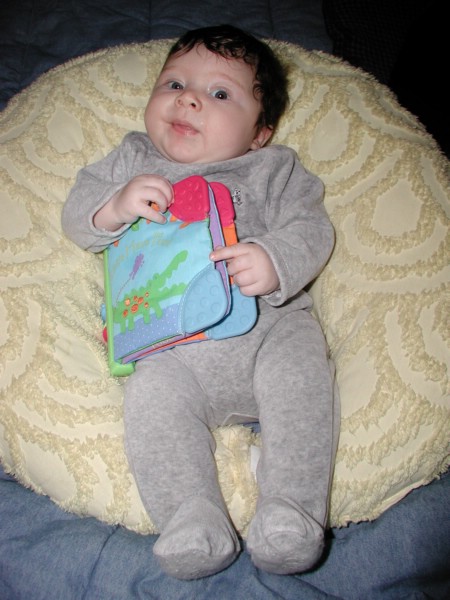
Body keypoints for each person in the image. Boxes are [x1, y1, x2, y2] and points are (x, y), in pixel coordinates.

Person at [62, 24, 339, 580]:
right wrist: (115, 206)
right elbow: (76, 216)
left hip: (270, 333)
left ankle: (292, 508)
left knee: (302, 380)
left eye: (219, 93)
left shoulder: (273, 168)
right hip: (172, 350)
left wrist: (274, 259)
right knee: (150, 401)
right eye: (174, 84)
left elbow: (312, 228)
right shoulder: (133, 157)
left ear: (259, 133)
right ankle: (191, 517)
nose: (188, 99)